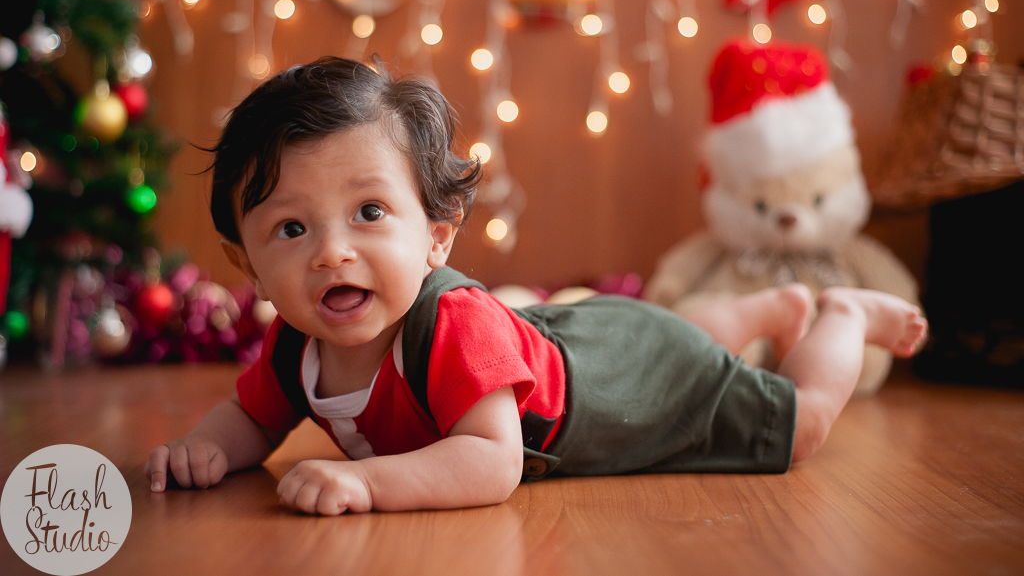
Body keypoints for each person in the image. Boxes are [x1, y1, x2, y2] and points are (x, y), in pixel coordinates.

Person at [145, 57, 928, 516]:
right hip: (597, 336)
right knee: (668, 333)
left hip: (623, 387)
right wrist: (206, 450)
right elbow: (251, 415)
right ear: (245, 262)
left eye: (370, 212)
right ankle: (756, 313)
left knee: (798, 427)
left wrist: (364, 480)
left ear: (437, 236)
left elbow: (492, 461)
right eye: (291, 228)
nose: (331, 253)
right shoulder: (296, 347)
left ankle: (838, 313)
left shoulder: (451, 326)